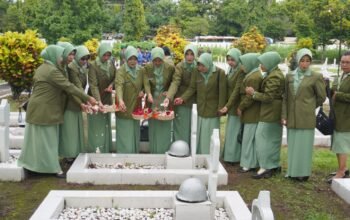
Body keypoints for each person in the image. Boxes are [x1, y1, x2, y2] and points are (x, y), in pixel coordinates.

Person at [17, 45, 96, 177]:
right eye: (60, 55)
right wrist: (88, 98)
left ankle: (33, 166)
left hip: (40, 108)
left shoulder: (44, 68)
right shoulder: (51, 71)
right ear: (53, 56)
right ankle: (53, 169)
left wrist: (82, 103)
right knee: (49, 141)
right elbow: (68, 87)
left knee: (37, 141)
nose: (62, 58)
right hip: (44, 109)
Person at [282, 48, 326, 181]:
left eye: (308, 61)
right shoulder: (289, 76)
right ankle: (292, 171)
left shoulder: (315, 76)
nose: (305, 64)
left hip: (306, 117)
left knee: (304, 145)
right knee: (293, 144)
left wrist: (309, 106)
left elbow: (321, 97)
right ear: (298, 60)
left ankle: (303, 173)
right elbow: (285, 97)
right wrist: (284, 115)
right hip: (292, 116)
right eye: (302, 60)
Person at [174, 53, 227, 154]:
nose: (200, 68)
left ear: (209, 64)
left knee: (210, 133)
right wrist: (182, 98)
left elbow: (222, 92)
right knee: (200, 132)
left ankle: (212, 154)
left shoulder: (220, 73)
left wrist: (221, 109)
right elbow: (192, 88)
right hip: (201, 107)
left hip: (213, 109)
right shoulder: (196, 72)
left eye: (203, 65)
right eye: (199, 65)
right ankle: (200, 153)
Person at [245, 51, 285, 178]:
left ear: (270, 63)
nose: (260, 65)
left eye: (262, 63)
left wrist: (253, 93)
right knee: (271, 139)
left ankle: (266, 167)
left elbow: (268, 97)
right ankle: (273, 165)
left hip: (270, 112)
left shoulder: (274, 76)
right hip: (272, 111)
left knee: (263, 139)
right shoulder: (274, 73)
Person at [59, 45, 91, 160]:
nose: (85, 61)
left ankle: (75, 152)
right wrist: (86, 100)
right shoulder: (72, 68)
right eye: (82, 58)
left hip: (78, 101)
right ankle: (68, 154)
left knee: (76, 130)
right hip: (71, 102)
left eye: (87, 58)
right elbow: (76, 87)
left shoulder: (81, 67)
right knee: (70, 131)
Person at [164, 44, 198, 145]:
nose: (189, 57)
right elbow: (175, 82)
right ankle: (179, 148)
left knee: (193, 126)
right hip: (180, 101)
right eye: (187, 54)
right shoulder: (180, 66)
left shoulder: (199, 66)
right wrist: (169, 97)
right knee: (180, 126)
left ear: (195, 55)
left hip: (196, 101)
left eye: (192, 54)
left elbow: (195, 86)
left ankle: (191, 149)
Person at [143, 47, 175, 154]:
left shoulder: (170, 68)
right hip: (152, 100)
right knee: (153, 125)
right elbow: (146, 82)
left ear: (163, 58)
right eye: (155, 60)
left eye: (159, 60)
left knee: (164, 125)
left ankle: (165, 150)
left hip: (164, 100)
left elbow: (174, 82)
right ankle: (154, 150)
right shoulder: (147, 67)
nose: (157, 62)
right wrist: (148, 93)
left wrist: (169, 92)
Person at [88, 43, 116, 153]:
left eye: (108, 55)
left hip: (107, 98)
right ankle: (95, 148)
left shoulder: (111, 64)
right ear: (100, 53)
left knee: (105, 123)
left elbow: (115, 77)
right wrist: (97, 101)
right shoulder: (94, 66)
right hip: (96, 98)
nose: (106, 58)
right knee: (96, 124)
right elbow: (93, 85)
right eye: (104, 55)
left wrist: (111, 85)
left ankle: (106, 147)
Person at [115, 46, 144, 153]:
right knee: (125, 133)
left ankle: (134, 155)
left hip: (136, 106)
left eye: (135, 59)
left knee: (134, 132)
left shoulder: (141, 70)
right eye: (130, 59)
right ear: (126, 59)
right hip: (125, 106)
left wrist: (143, 91)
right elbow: (119, 86)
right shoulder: (121, 71)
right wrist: (120, 100)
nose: (133, 61)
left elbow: (146, 84)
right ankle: (124, 157)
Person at [237, 53, 262, 172]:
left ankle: (246, 164)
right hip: (252, 111)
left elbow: (249, 97)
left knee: (248, 138)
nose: (241, 66)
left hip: (251, 111)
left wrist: (241, 107)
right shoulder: (253, 74)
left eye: (243, 63)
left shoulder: (253, 77)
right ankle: (251, 163)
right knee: (250, 138)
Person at [218, 48, 244, 164]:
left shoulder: (241, 71)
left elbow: (236, 91)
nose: (230, 62)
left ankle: (234, 157)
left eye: (232, 60)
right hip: (230, 104)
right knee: (230, 131)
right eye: (228, 59)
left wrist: (227, 106)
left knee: (235, 131)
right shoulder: (231, 69)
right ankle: (229, 155)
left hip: (236, 104)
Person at [328, 51, 350, 183]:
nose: (345, 64)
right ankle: (343, 168)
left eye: (348, 62)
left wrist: (338, 95)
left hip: (347, 118)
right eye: (343, 62)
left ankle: (341, 172)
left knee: (342, 144)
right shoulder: (341, 75)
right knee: (337, 143)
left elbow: (339, 94)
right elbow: (334, 92)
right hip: (337, 115)